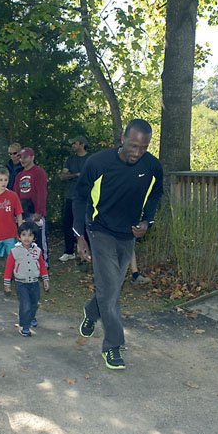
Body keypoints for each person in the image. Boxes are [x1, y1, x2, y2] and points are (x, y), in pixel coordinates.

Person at [74, 119, 163, 370]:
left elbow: (155, 195)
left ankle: (91, 312)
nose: (137, 152)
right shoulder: (98, 163)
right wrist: (80, 236)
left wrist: (147, 221)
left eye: (143, 147)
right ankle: (113, 346)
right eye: (133, 145)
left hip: (128, 234)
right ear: (122, 139)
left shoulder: (153, 166)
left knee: (110, 289)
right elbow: (79, 198)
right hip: (99, 230)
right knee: (110, 289)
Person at [3, 221, 49, 337]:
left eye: (30, 235)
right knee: (26, 305)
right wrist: (7, 283)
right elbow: (9, 268)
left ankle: (31, 316)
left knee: (34, 303)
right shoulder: (14, 251)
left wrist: (45, 280)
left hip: (34, 283)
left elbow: (42, 266)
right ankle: (24, 325)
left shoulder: (37, 251)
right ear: (19, 237)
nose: (26, 238)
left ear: (34, 237)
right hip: (21, 284)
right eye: (23, 235)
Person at [13, 147, 49, 264]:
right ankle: (27, 263)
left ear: (32, 157)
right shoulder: (19, 175)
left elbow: (42, 192)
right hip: (23, 212)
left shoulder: (39, 172)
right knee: (24, 239)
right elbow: (15, 195)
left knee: (38, 239)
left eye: (25, 157)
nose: (22, 160)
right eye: (20, 158)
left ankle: (43, 263)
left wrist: (39, 211)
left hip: (35, 212)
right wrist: (16, 213)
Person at [58, 136, 90, 262]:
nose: (73, 146)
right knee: (68, 223)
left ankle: (86, 250)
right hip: (71, 196)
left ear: (82, 144)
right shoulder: (70, 159)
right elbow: (62, 175)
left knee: (85, 224)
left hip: (87, 198)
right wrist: (75, 175)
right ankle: (69, 251)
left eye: (74, 143)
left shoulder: (90, 159)